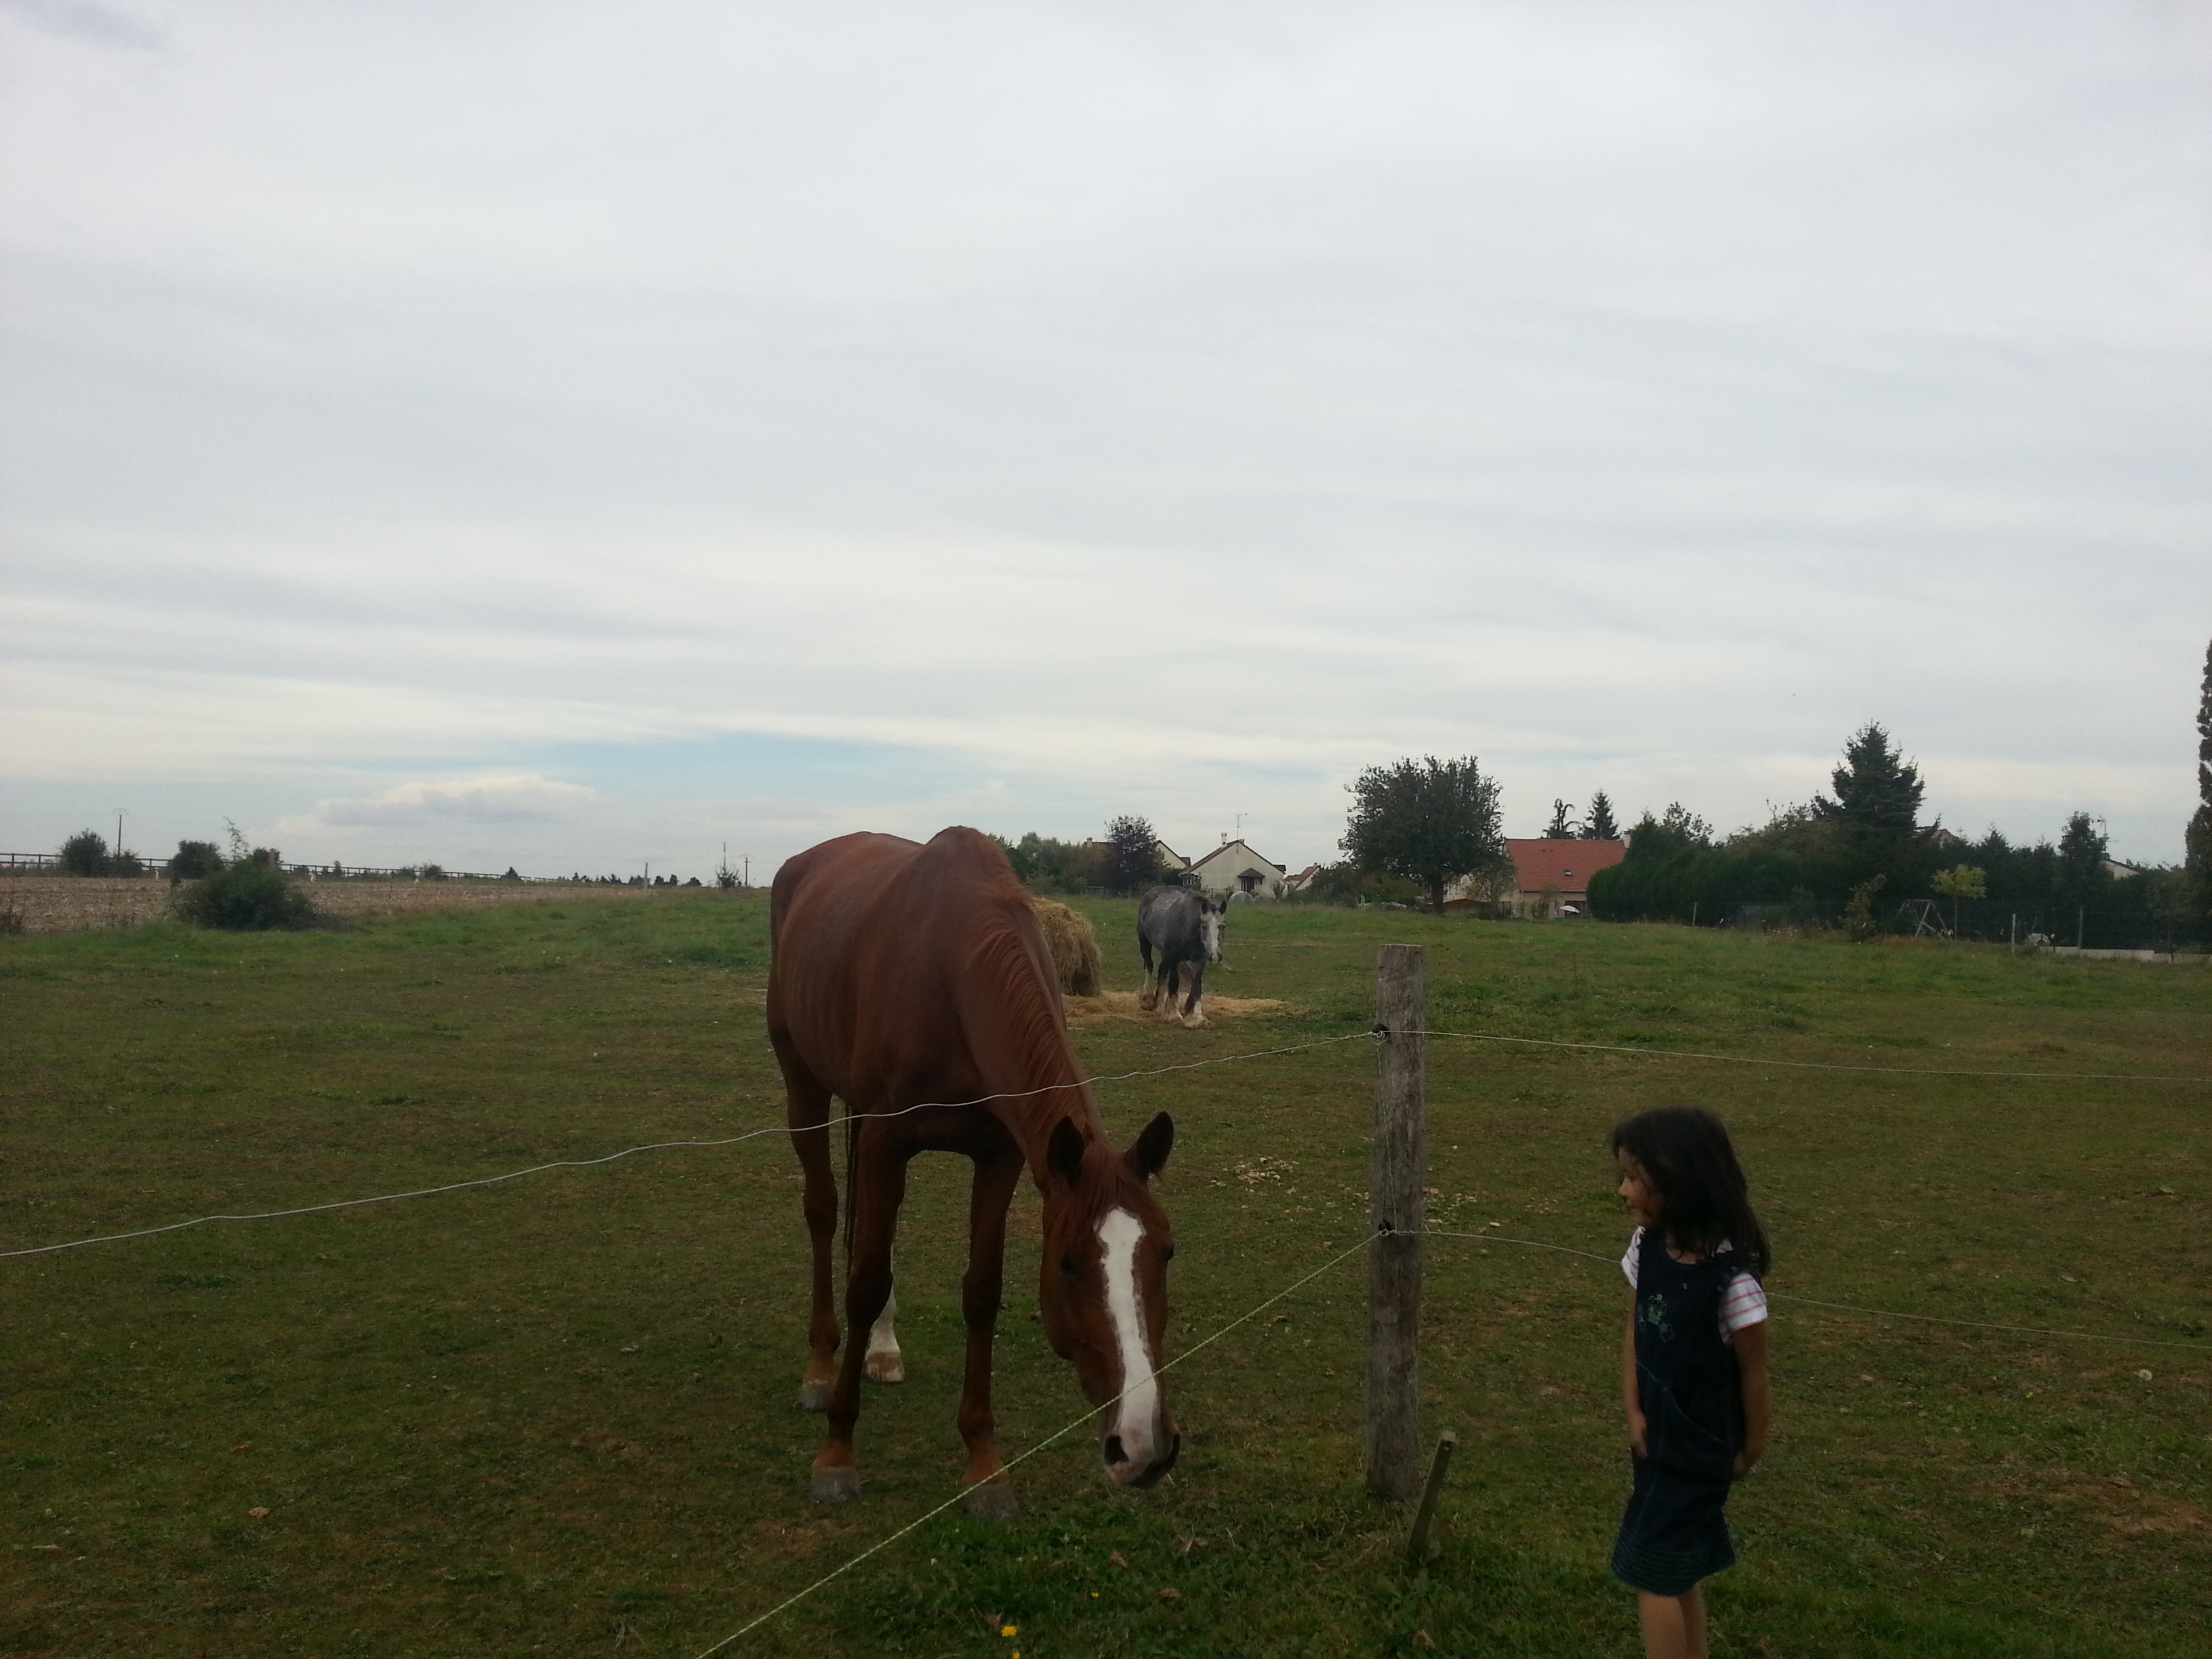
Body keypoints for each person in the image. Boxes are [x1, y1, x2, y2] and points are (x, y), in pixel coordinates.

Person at [1610, 1107, 1771, 1659]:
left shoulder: (1731, 1284)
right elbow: (1635, 1332)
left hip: (1699, 1448)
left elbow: (1754, 1373)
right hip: (1656, 1437)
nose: (1624, 1191)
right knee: (1677, 1567)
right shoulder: (1646, 1248)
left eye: (1634, 1177)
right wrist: (1633, 1410)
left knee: (1652, 1574)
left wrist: (1751, 1447)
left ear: (1679, 1182)